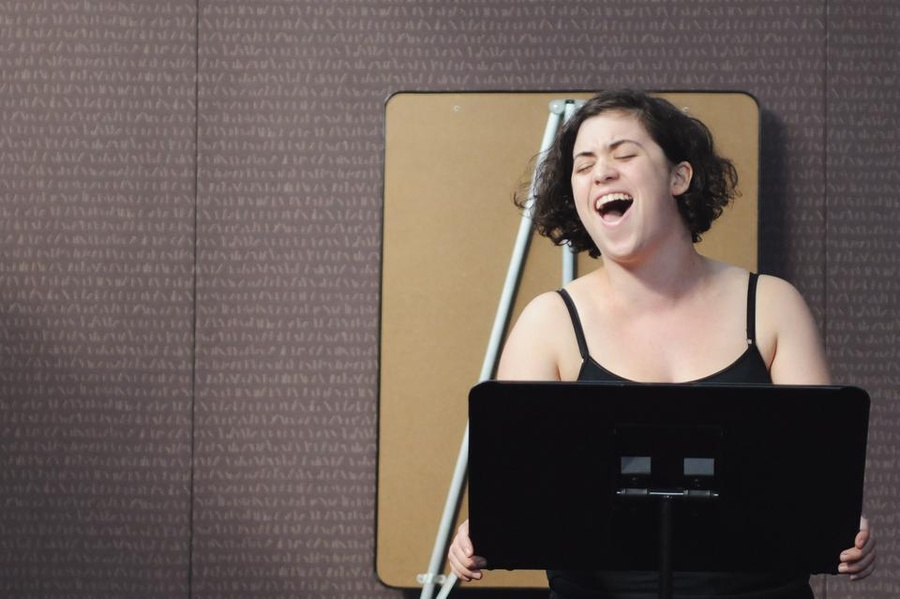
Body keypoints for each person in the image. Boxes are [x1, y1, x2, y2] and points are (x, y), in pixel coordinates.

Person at [447, 90, 876, 598]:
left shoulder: (772, 306)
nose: (601, 173)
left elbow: (816, 480)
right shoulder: (548, 323)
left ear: (680, 177)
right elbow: (516, 492)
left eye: (624, 154)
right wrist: (480, 528)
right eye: (584, 166)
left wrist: (843, 524)